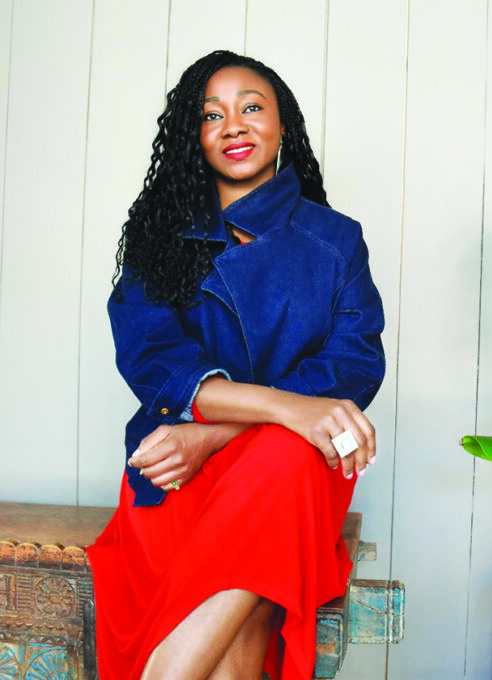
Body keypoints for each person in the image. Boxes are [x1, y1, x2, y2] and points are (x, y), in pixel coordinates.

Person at [86, 49, 385, 680]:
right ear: (193, 136)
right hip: (177, 472)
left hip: (287, 466)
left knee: (285, 457)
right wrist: (284, 408)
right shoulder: (158, 236)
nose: (233, 125)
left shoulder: (336, 240)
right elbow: (155, 362)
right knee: (251, 606)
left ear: (283, 125)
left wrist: (209, 435)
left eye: (252, 107)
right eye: (211, 114)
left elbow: (353, 363)